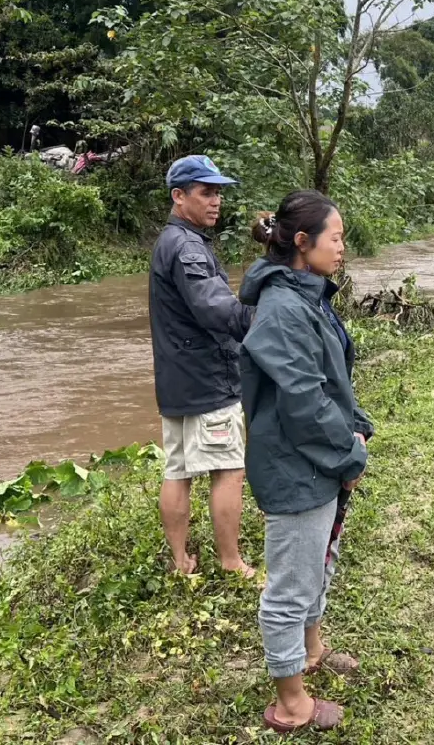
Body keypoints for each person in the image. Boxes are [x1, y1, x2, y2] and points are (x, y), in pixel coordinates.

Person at [238, 191, 374, 734]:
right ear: (302, 243)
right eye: (335, 238)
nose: (343, 249)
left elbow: (333, 381)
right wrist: (348, 451)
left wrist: (357, 428)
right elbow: (303, 401)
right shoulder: (283, 308)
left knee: (320, 561)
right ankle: (291, 701)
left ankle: (311, 651)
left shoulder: (309, 296)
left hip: (322, 459)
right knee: (290, 584)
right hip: (298, 464)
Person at [149, 154, 255, 577]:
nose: (216, 202)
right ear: (179, 196)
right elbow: (216, 310)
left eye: (219, 193)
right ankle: (230, 562)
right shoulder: (188, 247)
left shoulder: (171, 241)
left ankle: (180, 561)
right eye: (206, 193)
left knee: (177, 469)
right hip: (206, 380)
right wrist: (262, 320)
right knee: (229, 469)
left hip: (176, 380)